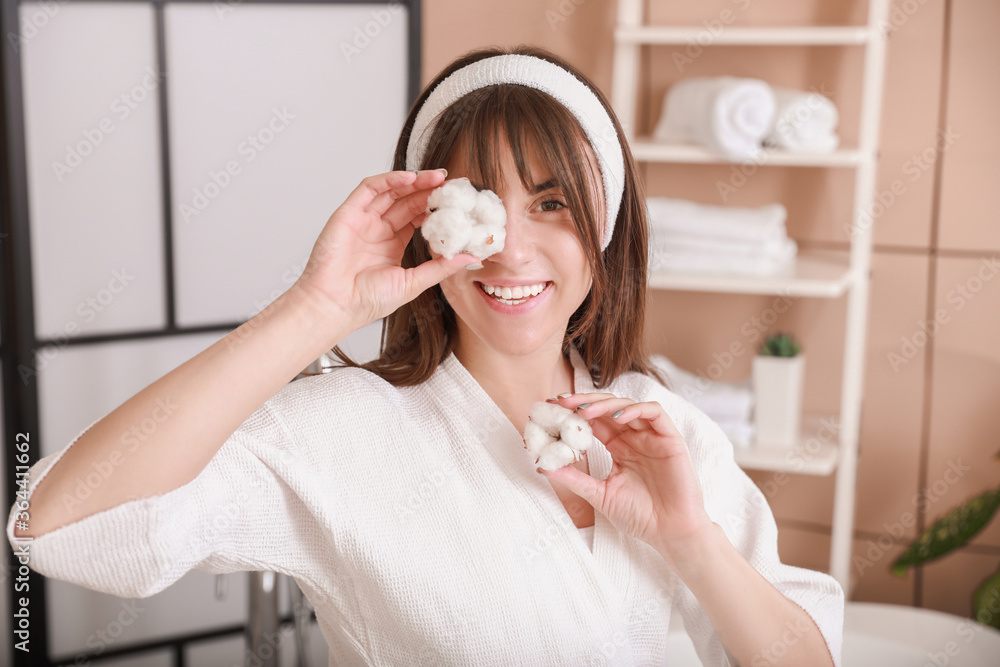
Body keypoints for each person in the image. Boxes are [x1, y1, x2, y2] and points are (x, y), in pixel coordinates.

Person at [7, 46, 843, 666]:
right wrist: (315, 308)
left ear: (607, 233)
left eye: (552, 203)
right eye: (479, 205)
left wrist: (691, 537)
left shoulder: (666, 431)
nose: (511, 250)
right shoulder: (342, 433)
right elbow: (63, 526)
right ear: (426, 229)